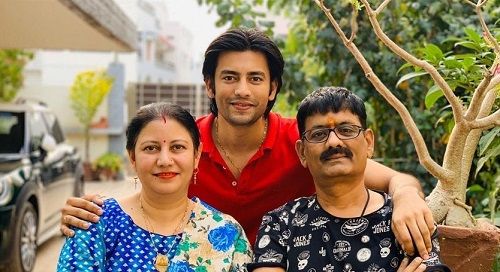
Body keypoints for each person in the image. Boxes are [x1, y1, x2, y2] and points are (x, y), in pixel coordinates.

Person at [60, 28, 434, 258]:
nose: (242, 90)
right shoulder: (182, 145)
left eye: (255, 78)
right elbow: (142, 191)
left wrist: (407, 199)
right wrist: (92, 215)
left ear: (272, 89)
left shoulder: (303, 142)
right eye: (229, 77)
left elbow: (395, 179)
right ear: (209, 85)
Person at [247, 87, 450, 272]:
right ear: (302, 152)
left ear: (368, 142)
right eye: (319, 134)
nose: (333, 142)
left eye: (346, 130)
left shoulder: (404, 219)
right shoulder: (281, 224)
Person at [57, 103, 252, 271]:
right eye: (151, 148)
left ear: (196, 155)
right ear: (132, 156)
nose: (165, 160)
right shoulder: (95, 224)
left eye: (177, 147)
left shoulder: (227, 232)